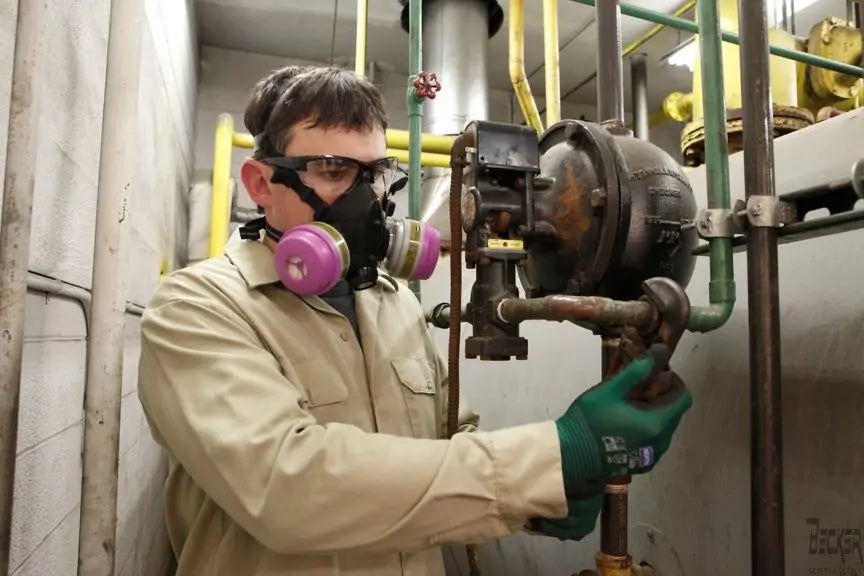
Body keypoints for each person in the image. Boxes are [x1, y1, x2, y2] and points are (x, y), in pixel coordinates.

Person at [138, 65, 693, 576]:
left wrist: (540, 496)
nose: (366, 199)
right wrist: (556, 453)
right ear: (260, 184)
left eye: (377, 173)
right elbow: (288, 487)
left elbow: (449, 439)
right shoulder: (197, 309)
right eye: (333, 170)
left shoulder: (393, 301)